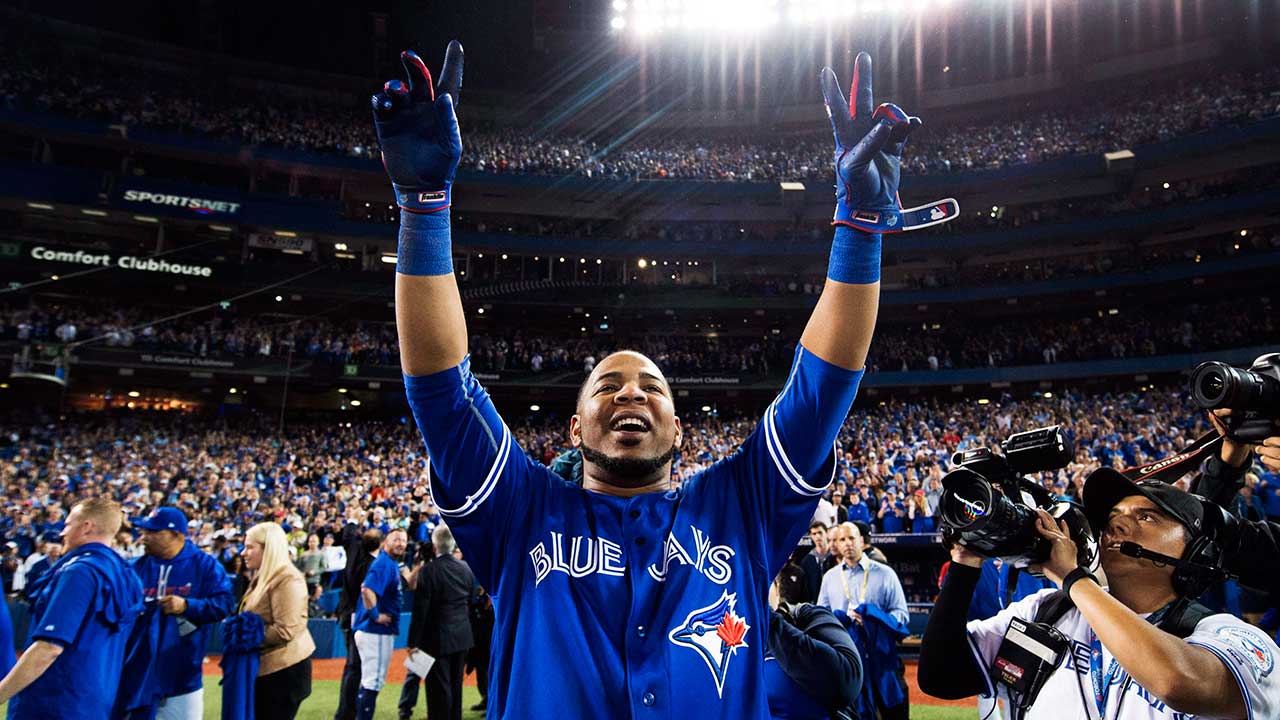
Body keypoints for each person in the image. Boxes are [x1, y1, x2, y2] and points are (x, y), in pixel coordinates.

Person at [374, 40, 932, 716]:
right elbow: (444, 395)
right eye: (606, 387)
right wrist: (424, 207)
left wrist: (860, 229)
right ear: (575, 427)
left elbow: (821, 391)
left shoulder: (740, 507)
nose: (631, 391)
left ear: (679, 428)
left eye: (651, 386)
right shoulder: (522, 512)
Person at [919, 471, 1279, 719]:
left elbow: (1178, 681)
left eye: (1148, 517)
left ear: (1195, 551)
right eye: (1114, 515)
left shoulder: (1231, 636)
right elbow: (941, 676)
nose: (1118, 523)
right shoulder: (1047, 610)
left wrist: (1074, 579)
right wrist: (966, 559)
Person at [0, 498, 143, 719]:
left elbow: (49, 649)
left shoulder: (80, 571)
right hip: (94, 702)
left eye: (67, 524)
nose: (62, 533)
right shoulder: (126, 573)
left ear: (86, 527)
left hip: (55, 703)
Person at [130, 506, 235, 719]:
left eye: (153, 533)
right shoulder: (135, 567)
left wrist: (187, 606)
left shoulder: (205, 565)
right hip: (136, 676)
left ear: (176, 535)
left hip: (183, 675)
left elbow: (224, 604)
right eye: (144, 532)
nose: (144, 538)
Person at [816, 522, 910, 720]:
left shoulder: (885, 573)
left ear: (862, 540)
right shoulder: (830, 578)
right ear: (838, 545)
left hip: (883, 660)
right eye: (842, 539)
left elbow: (902, 614)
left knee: (895, 712)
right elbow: (821, 617)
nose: (848, 543)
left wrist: (874, 618)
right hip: (848, 662)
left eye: (852, 538)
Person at [239, 522, 315, 719]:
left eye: (249, 547)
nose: (243, 553)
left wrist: (244, 635)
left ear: (268, 549)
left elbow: (285, 630)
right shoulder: (264, 577)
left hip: (283, 673)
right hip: (268, 669)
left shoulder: (288, 579)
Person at [765, 568, 862, 720]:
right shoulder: (721, 642)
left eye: (762, 582)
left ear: (777, 591)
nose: (752, 592)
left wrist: (767, 620)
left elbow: (847, 684)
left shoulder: (804, 617)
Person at [405, 525, 476, 720]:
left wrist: (412, 642)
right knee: (455, 686)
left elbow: (420, 610)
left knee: (438, 690)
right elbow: (471, 600)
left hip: (436, 639)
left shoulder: (428, 571)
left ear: (435, 544)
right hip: (462, 637)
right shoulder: (466, 569)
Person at [353, 527, 410, 720]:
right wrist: (376, 615)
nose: (401, 543)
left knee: (370, 680)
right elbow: (366, 590)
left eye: (403, 540)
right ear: (385, 542)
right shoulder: (384, 563)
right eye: (396, 539)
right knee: (373, 682)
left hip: (374, 632)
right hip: (374, 630)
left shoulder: (390, 563)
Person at [334, 527, 382, 720]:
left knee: (352, 667)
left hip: (346, 615)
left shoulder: (354, 550)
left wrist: (354, 519)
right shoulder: (373, 566)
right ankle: (347, 711)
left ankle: (348, 709)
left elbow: (348, 534)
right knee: (356, 667)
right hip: (361, 620)